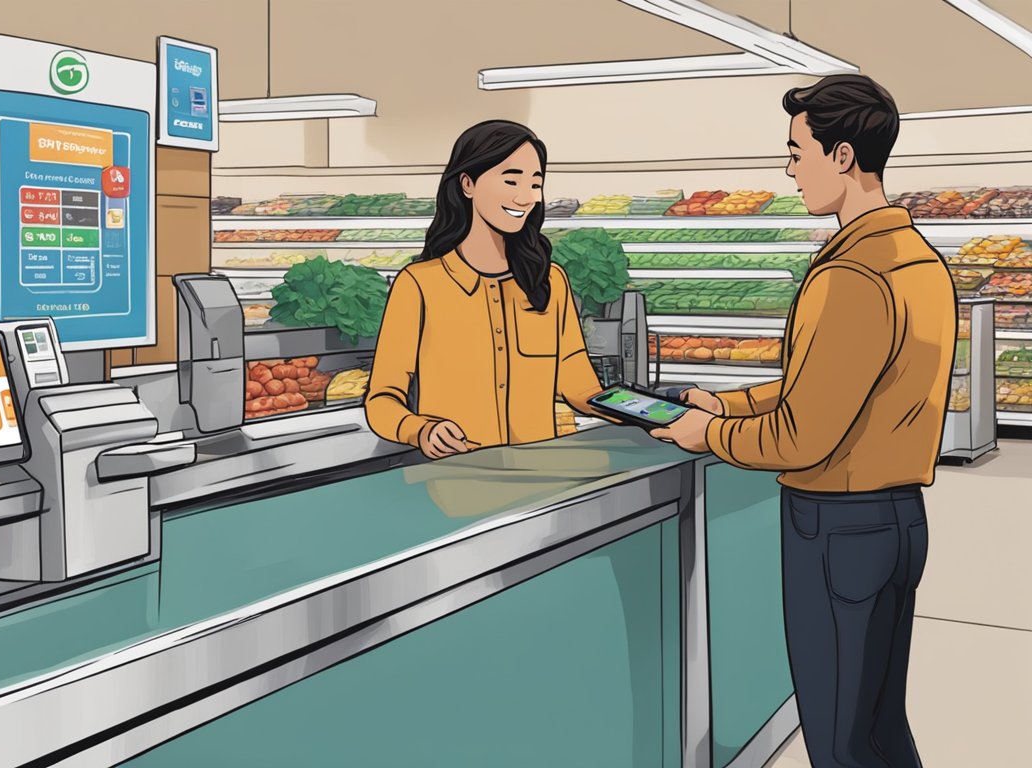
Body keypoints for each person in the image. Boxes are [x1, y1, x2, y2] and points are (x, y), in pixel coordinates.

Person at [653, 75, 954, 768]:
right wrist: (726, 402)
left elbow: (804, 435)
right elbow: (827, 385)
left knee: (840, 736)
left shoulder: (853, 273)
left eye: (797, 152)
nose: (790, 171)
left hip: (837, 526)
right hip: (899, 520)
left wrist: (710, 435)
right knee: (879, 727)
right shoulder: (916, 261)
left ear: (842, 157)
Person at [365, 120, 605, 460]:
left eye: (535, 184)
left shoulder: (549, 281)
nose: (527, 197)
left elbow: (581, 388)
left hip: (543, 478)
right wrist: (420, 430)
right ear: (467, 184)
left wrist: (653, 410)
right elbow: (382, 400)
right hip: (456, 484)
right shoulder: (419, 285)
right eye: (511, 181)